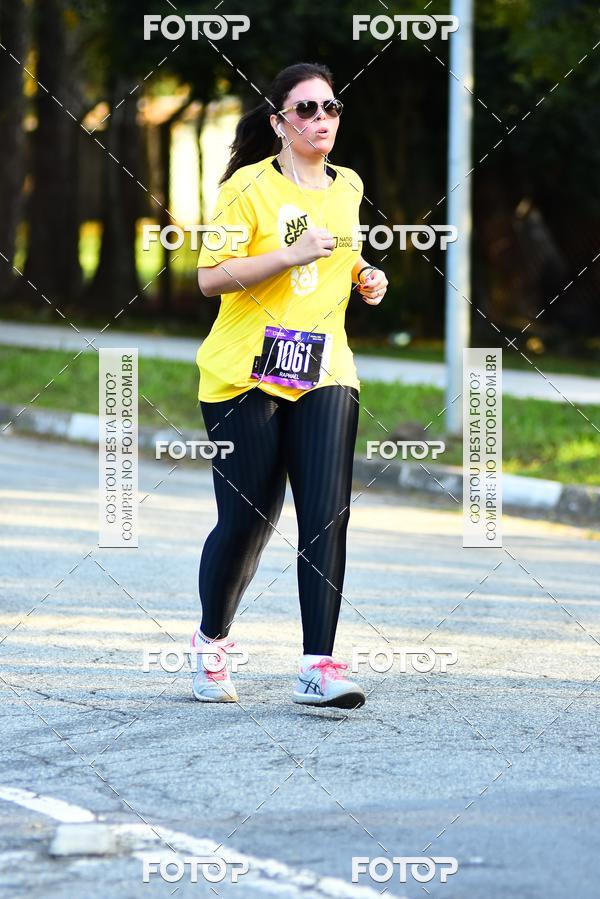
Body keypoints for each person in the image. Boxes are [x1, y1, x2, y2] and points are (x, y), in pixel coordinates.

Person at [191, 62, 388, 708]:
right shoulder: (248, 189)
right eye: (305, 109)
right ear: (278, 122)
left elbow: (343, 250)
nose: (321, 119)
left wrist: (366, 275)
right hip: (245, 370)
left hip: (322, 364)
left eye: (330, 107)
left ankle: (317, 664)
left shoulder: (348, 185)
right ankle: (211, 641)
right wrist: (289, 255)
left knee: (327, 514)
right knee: (248, 520)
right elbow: (209, 277)